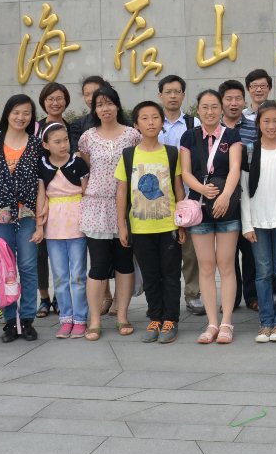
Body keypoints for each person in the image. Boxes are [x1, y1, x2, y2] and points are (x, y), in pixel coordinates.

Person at [0, 94, 47, 343]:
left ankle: (26, 320)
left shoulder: (36, 144)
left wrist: (40, 219)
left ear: (32, 116)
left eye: (26, 113)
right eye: (16, 112)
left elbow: (42, 183)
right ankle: (9, 320)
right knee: (4, 269)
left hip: (27, 215)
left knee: (27, 267)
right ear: (7, 113)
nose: (21, 117)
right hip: (0, 217)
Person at [117, 101, 185, 345]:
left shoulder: (171, 153)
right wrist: (122, 225)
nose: (150, 122)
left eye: (155, 117)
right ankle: (155, 317)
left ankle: (171, 320)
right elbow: (121, 192)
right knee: (150, 275)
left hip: (168, 227)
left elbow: (178, 189)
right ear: (136, 125)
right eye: (144, 118)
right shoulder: (128, 155)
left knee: (171, 275)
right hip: (140, 228)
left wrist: (181, 223)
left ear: (161, 122)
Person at [77, 85, 141, 340]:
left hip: (125, 207)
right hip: (97, 207)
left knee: (124, 263)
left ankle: (122, 315)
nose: (105, 109)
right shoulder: (87, 138)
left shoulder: (132, 135)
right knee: (99, 265)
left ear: (117, 105)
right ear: (94, 109)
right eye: (99, 104)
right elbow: (85, 167)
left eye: (109, 103)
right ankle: (94, 320)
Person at [181, 89, 244, 345]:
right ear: (198, 110)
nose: (210, 112)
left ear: (221, 109)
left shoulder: (232, 135)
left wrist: (225, 195)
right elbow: (185, 172)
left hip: (227, 207)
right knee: (206, 266)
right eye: (205, 107)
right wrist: (202, 189)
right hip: (200, 208)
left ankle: (226, 322)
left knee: (226, 265)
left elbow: (235, 167)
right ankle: (211, 323)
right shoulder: (189, 136)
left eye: (214, 107)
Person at [240, 102, 276, 343]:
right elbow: (244, 190)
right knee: (263, 273)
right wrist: (247, 224)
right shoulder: (250, 151)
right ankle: (265, 322)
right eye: (266, 121)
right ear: (258, 124)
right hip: (258, 222)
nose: (271, 126)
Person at [38, 122, 89, 339]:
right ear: (46, 145)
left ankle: (80, 318)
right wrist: (39, 225)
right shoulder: (42, 165)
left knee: (78, 275)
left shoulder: (78, 162)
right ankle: (65, 319)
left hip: (77, 220)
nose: (63, 145)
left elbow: (86, 192)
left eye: (65, 140)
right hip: (54, 224)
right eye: (57, 142)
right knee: (59, 275)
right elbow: (41, 195)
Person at [157, 74, 201, 318]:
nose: (173, 96)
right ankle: (164, 297)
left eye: (177, 92)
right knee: (163, 252)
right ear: (160, 95)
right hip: (157, 199)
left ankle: (193, 294)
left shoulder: (193, 123)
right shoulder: (152, 122)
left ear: (183, 95)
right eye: (168, 92)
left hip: (188, 196)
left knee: (191, 251)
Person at [33, 81, 73, 318]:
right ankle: (44, 298)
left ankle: (61, 297)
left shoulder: (73, 128)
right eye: (50, 99)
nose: (55, 103)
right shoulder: (35, 128)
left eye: (59, 98)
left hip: (67, 201)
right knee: (41, 252)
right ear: (43, 102)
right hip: (40, 194)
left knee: (65, 251)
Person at [220, 79, 258, 314]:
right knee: (227, 252)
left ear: (244, 101)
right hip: (222, 199)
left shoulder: (254, 128)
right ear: (221, 101)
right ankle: (231, 296)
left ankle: (252, 295)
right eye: (229, 99)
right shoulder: (214, 129)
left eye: (238, 99)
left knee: (251, 250)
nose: (233, 103)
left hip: (249, 198)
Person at [67, 75, 106, 149]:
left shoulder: (123, 124)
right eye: (87, 94)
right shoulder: (78, 125)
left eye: (95, 93)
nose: (91, 98)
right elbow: (75, 151)